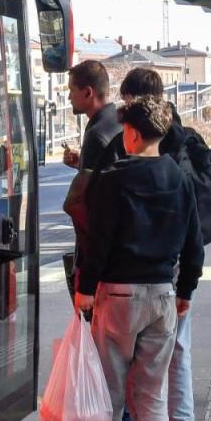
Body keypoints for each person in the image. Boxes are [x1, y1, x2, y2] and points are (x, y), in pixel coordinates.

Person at [77, 95, 204, 421]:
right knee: (150, 389)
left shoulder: (113, 180)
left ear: (130, 134)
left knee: (111, 385)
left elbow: (97, 242)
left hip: (117, 294)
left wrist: (84, 288)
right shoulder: (180, 179)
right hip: (163, 294)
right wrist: (185, 290)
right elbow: (194, 243)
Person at [106, 66, 211, 421]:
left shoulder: (135, 143)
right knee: (175, 354)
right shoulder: (192, 141)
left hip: (141, 269)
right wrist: (189, 281)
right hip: (178, 264)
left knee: (128, 363)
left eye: (126, 101)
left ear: (137, 102)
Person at [61, 60, 123, 293]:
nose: (69, 98)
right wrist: (81, 165)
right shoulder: (118, 122)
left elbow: (90, 205)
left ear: (88, 92)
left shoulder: (97, 135)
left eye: (71, 90)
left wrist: (87, 270)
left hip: (103, 258)